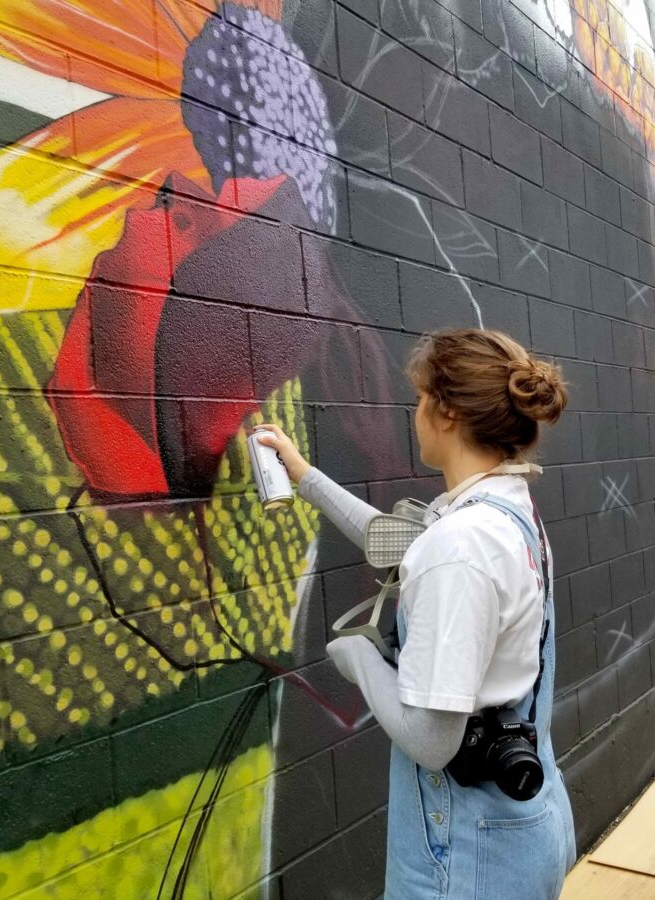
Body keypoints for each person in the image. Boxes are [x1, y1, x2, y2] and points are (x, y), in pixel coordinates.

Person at [256, 328, 576, 898]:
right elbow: (395, 544)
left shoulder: (462, 545)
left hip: (467, 860)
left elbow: (431, 742)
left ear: (446, 411)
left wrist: (359, 658)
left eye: (420, 399)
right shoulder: (499, 509)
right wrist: (303, 475)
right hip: (519, 829)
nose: (415, 412)